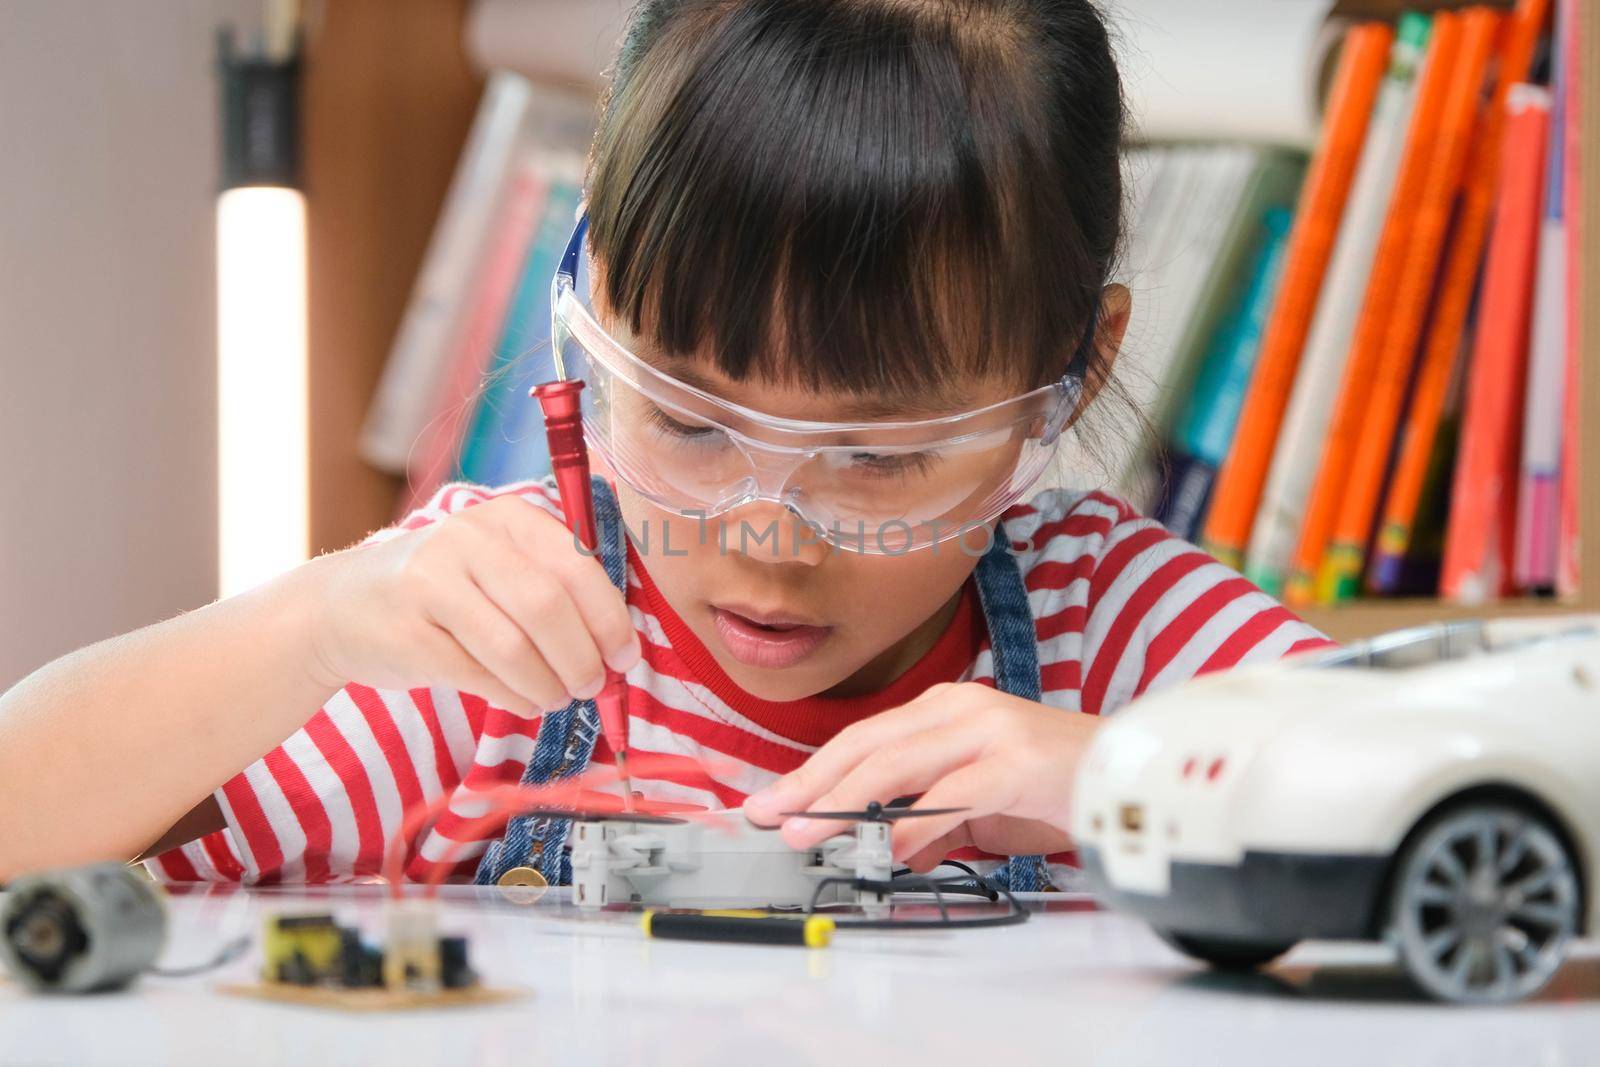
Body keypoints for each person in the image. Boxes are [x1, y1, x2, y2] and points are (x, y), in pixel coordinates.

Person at [0, 0, 1331, 888]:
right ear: (591, 307)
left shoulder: (1122, 638)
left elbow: (1493, 839)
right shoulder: (494, 640)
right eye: (690, 421)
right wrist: (320, 620)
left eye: (875, 460)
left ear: (1067, 376)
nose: (761, 537)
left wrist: (1122, 790)